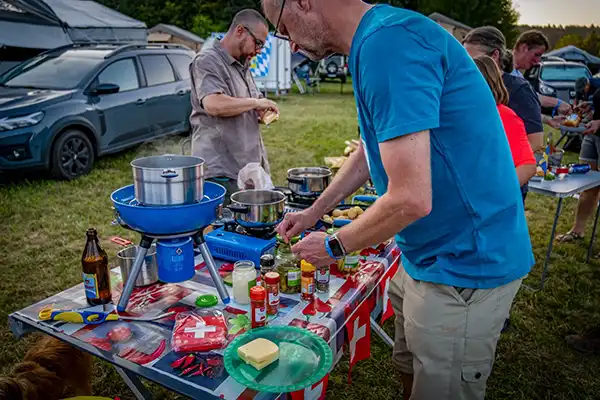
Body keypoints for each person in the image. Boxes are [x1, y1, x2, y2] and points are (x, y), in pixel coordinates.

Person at [262, 1, 533, 399]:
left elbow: (410, 200)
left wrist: (334, 246)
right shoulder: (376, 38)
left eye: (282, 28)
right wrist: (314, 211)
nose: (292, 46)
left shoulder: (387, 44)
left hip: (466, 261)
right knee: (409, 365)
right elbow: (370, 151)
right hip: (426, 254)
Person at [189, 9, 279, 201]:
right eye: (258, 43)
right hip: (222, 170)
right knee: (227, 227)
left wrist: (261, 112)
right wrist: (255, 102)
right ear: (240, 31)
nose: (259, 51)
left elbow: (247, 105)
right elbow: (213, 104)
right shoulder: (207, 61)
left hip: (245, 167)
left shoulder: (242, 63)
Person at [463, 26, 546, 203]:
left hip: (504, 186)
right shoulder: (464, 93)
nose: (465, 65)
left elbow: (535, 143)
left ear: (494, 56)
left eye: (470, 58)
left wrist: (498, 176)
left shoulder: (519, 91)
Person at [473, 55, 536, 189]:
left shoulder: (503, 115)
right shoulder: (454, 114)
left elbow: (527, 166)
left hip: (489, 201)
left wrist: (498, 196)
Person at [555, 90, 600, 244]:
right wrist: (592, 106)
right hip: (592, 134)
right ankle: (577, 230)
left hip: (597, 127)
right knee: (588, 185)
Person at [512, 30, 572, 115]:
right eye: (537, 54)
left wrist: (549, 120)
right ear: (524, 48)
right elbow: (527, 96)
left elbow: (529, 99)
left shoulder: (518, 75)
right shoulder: (503, 70)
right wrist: (557, 103)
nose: (538, 61)